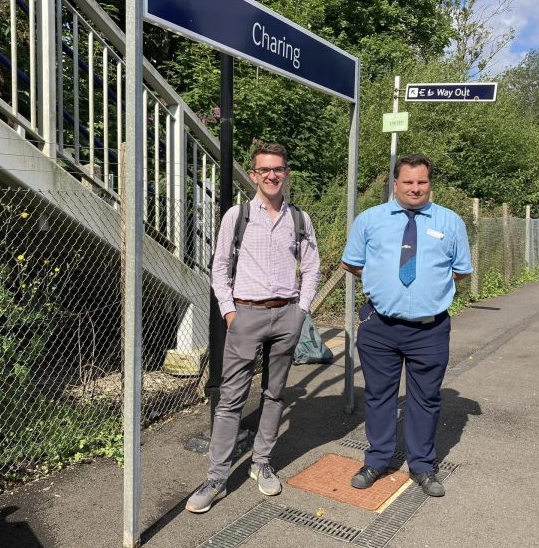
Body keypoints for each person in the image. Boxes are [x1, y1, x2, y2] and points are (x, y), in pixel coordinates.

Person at [186, 142, 321, 513]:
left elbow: (311, 266)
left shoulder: (299, 219)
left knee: (275, 394)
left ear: (286, 172)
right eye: (265, 170)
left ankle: (261, 462)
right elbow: (218, 269)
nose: (272, 175)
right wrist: (230, 313)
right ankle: (216, 477)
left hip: (286, 316)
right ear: (254, 175)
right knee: (231, 399)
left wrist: (301, 311)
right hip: (245, 315)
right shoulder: (238, 215)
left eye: (278, 169)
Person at [341, 154, 472, 497]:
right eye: (408, 182)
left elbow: (460, 270)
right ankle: (377, 460)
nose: (415, 188)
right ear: (395, 184)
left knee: (425, 399)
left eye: (422, 182)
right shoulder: (370, 220)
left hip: (430, 330)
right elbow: (353, 263)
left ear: (430, 183)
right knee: (379, 395)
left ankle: (423, 466)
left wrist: (428, 292)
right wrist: (383, 282)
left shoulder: (450, 221)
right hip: (379, 326)